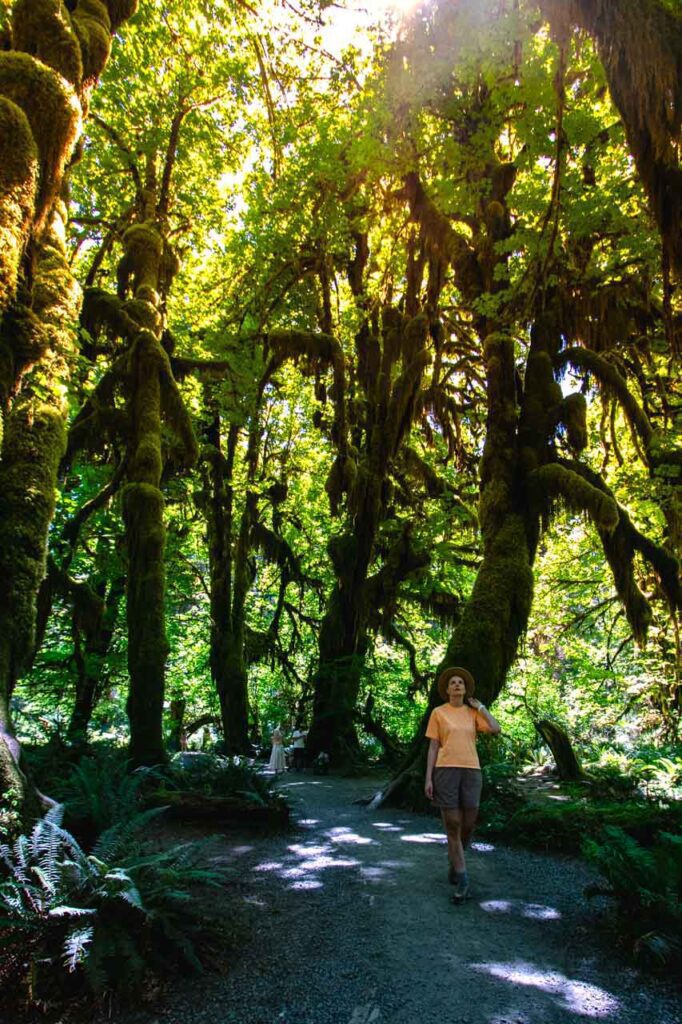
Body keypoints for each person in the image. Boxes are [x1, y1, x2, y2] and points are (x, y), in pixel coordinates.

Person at [424, 666, 501, 903]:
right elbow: (434, 746)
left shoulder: (473, 713)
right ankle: (462, 876)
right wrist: (428, 778)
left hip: (472, 771)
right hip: (445, 771)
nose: (457, 685)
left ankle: (454, 860)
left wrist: (481, 708)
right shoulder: (438, 712)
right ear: (447, 690)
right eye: (453, 683)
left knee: (469, 823)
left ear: (465, 689)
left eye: (461, 683)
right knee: (453, 824)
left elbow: (496, 729)